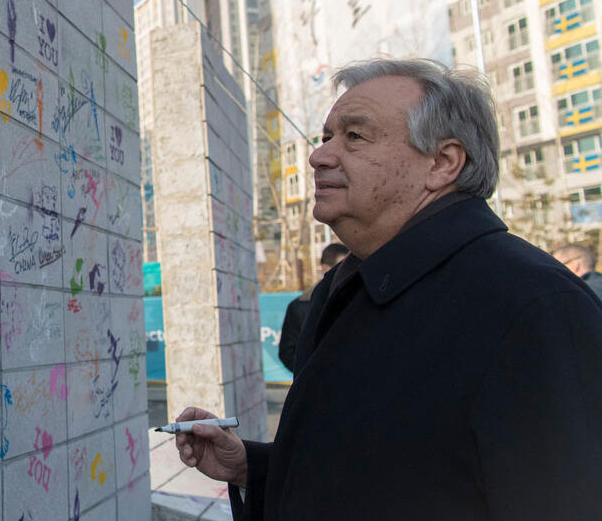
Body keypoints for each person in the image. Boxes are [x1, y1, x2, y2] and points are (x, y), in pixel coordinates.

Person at [173, 59, 602, 520]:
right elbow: (378, 473)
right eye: (325, 137)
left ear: (442, 162)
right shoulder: (345, 288)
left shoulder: (531, 305)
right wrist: (252, 468)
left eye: (354, 136)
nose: (319, 156)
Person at [277, 242, 348, 373]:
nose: (348, 272)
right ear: (326, 268)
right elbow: (288, 353)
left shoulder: (361, 297)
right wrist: (316, 374)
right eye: (342, 266)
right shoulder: (300, 306)